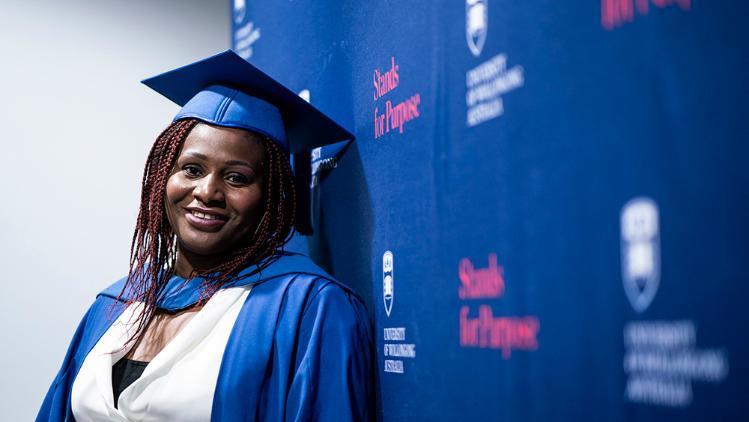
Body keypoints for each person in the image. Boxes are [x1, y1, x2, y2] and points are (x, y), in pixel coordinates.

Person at [36, 51, 373, 421]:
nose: (208, 192)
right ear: (163, 176)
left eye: (236, 177)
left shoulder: (308, 308)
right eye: (192, 169)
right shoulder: (115, 305)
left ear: (271, 195)